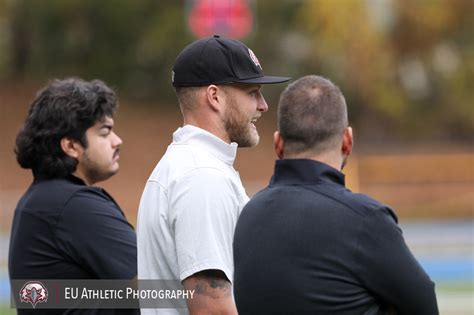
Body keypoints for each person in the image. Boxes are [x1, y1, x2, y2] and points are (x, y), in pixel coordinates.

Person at [233, 75, 439, 314]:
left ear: (278, 144)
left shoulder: (249, 214)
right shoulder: (364, 220)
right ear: (347, 141)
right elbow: (424, 306)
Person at [136, 35, 289, 314]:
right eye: (253, 92)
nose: (263, 105)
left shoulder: (190, 166)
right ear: (215, 96)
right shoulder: (201, 176)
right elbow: (212, 308)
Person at [9, 78, 138, 314]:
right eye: (105, 131)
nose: (117, 140)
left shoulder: (42, 199)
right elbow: (154, 284)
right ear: (70, 146)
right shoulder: (73, 206)